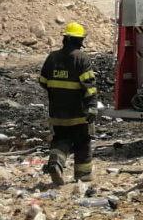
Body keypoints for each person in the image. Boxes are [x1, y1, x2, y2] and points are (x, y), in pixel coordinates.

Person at [38, 22, 98, 185]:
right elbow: (89, 87)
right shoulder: (82, 59)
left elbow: (43, 81)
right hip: (78, 113)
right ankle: (83, 174)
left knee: (61, 139)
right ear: (78, 40)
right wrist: (92, 107)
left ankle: (56, 162)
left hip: (57, 112)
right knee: (82, 142)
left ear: (65, 38)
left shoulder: (52, 57)